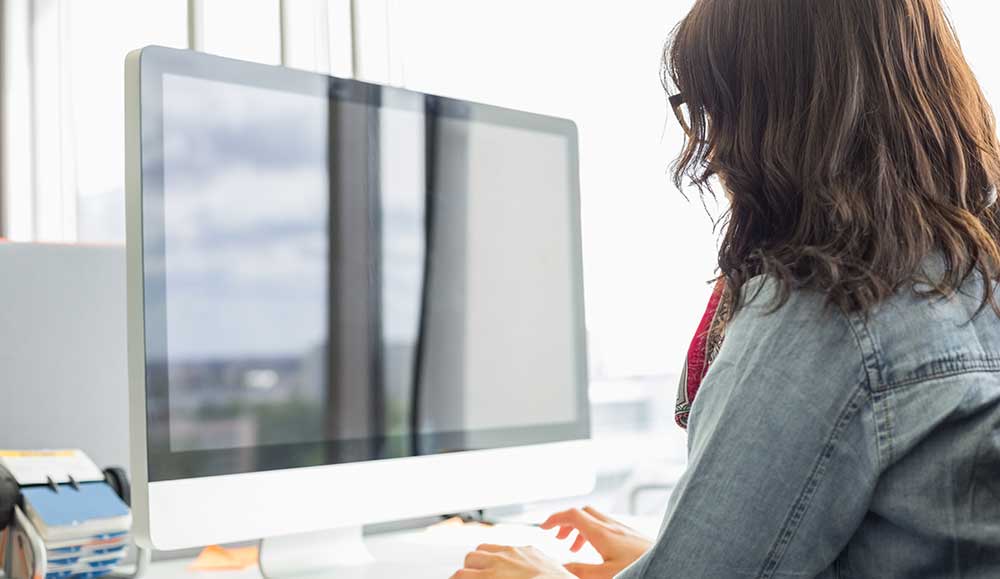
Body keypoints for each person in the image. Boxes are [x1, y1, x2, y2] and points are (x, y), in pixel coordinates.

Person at [451, 0, 1000, 577]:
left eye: (710, 109)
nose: (710, 153)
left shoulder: (833, 307)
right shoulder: (970, 277)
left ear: (769, 114)